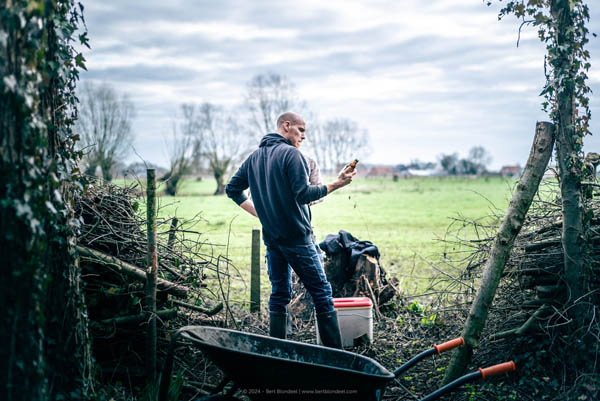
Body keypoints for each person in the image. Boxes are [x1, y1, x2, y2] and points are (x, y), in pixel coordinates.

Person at [225, 111, 355, 348]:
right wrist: (338, 183)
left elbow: (232, 189)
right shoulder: (291, 154)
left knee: (280, 295)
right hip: (298, 239)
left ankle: (278, 351)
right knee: (322, 294)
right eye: (301, 129)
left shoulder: (254, 158)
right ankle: (336, 358)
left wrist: (261, 214)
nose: (304, 136)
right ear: (286, 126)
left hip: (273, 240)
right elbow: (304, 194)